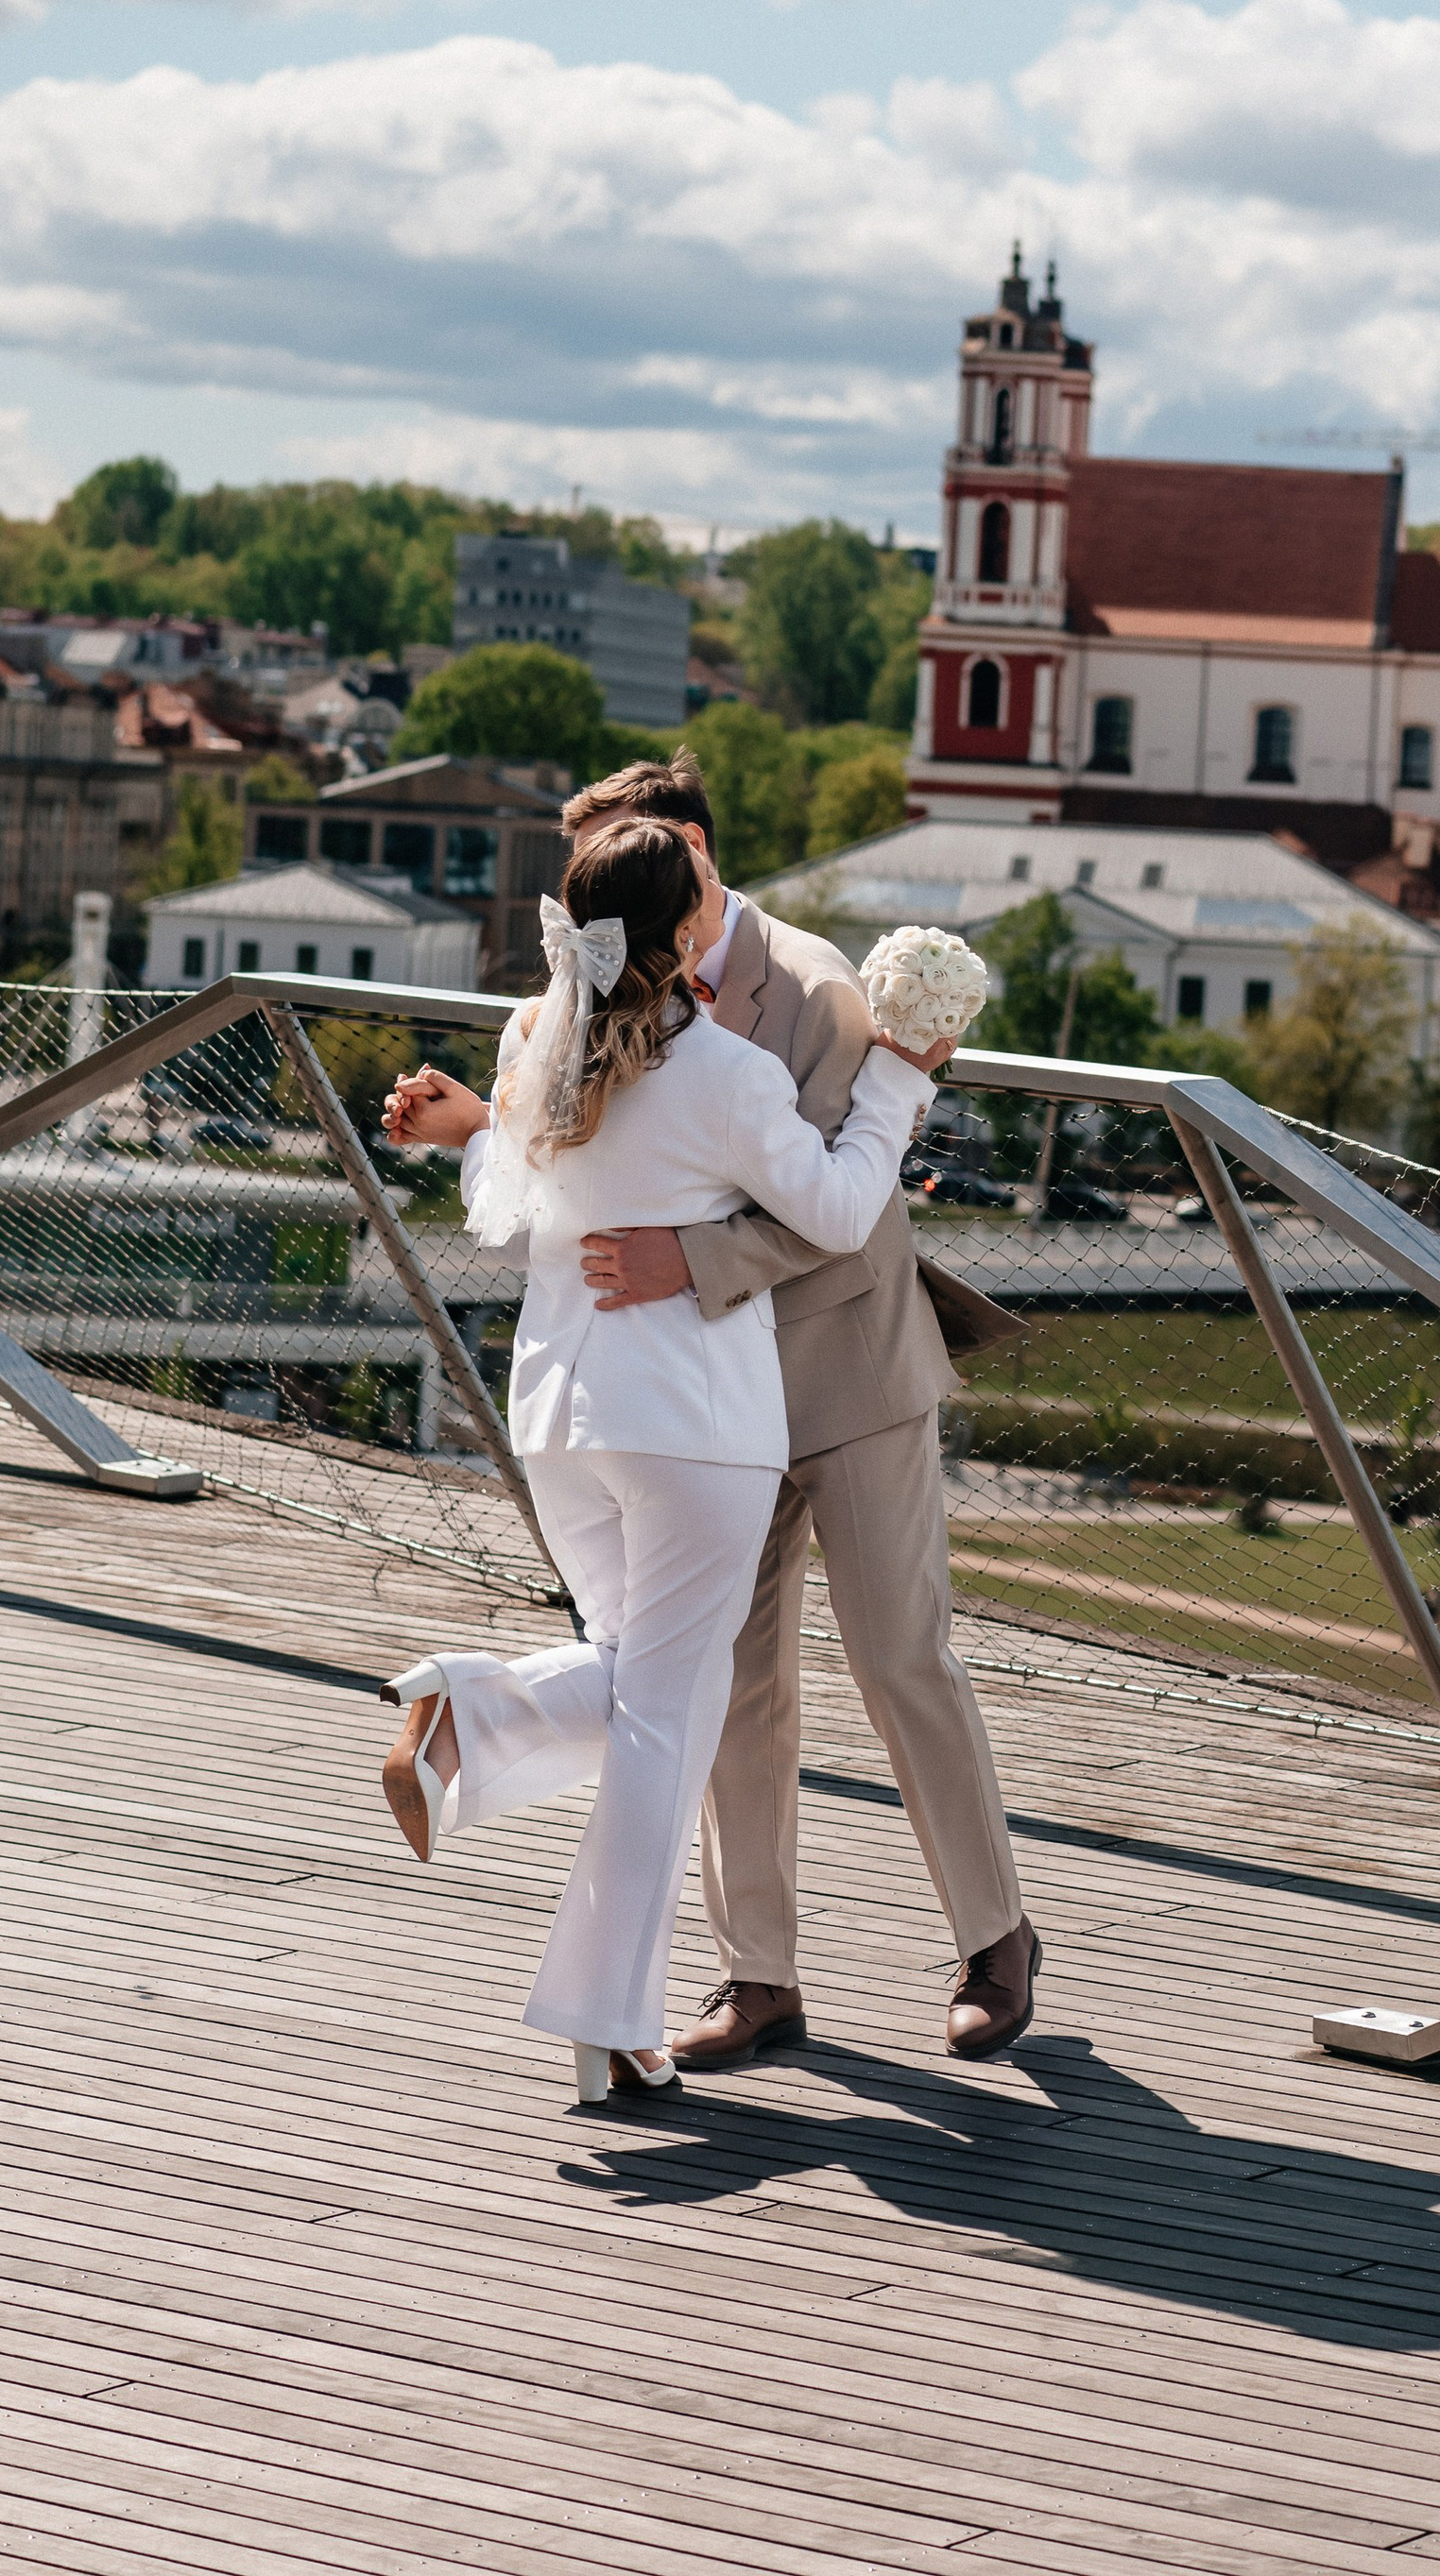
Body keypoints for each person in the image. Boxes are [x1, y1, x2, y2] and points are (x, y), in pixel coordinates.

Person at [377, 817, 954, 2106]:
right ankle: (592, 1994)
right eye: (704, 888)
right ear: (687, 928)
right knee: (662, 1725)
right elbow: (845, 1211)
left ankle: (473, 1736)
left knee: (656, 1696)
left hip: (558, 1417)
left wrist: (471, 1134)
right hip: (693, 1426)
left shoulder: (535, 1044)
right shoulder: (730, 1074)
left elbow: (506, 1207)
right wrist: (902, 1081)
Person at [558, 754, 1040, 2070]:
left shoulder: (820, 991)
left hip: (848, 1376)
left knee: (900, 1660)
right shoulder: (608, 985)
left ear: (699, 858)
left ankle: (996, 1937)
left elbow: (843, 1204)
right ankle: (759, 1975)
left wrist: (687, 1262)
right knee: (734, 1680)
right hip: (710, 1397)